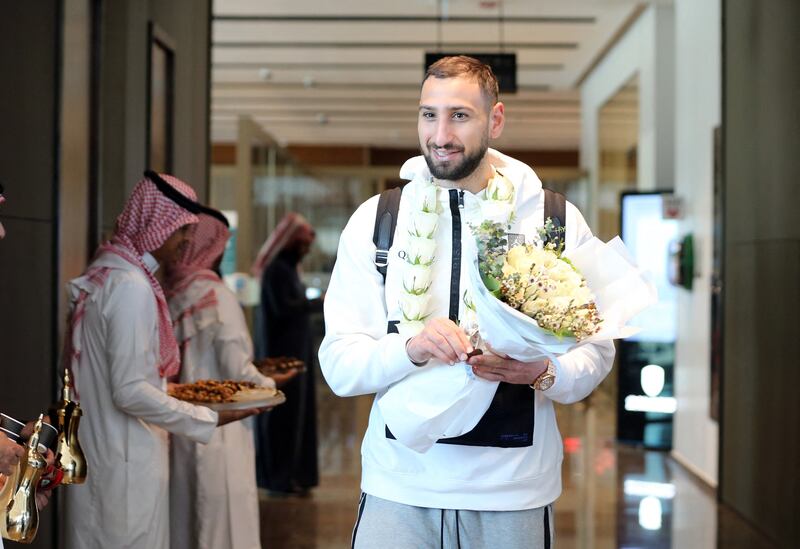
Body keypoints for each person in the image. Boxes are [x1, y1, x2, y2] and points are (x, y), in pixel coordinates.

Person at [318, 56, 615, 548]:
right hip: (399, 486)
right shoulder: (379, 220)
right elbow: (339, 366)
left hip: (512, 490)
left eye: (459, 115)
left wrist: (541, 371)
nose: (440, 134)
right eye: (428, 114)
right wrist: (410, 348)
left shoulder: (554, 219)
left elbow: (596, 353)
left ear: (494, 119)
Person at [61, 172, 262, 549]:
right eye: (182, 230)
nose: (187, 241)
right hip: (125, 463)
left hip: (104, 455)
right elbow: (130, 391)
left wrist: (175, 392)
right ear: (157, 224)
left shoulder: (107, 274)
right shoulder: (131, 287)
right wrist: (208, 416)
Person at [165, 208, 296, 549]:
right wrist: (273, 385)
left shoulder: (171, 292)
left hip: (178, 426)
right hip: (221, 430)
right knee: (222, 528)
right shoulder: (217, 298)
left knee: (185, 522)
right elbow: (239, 373)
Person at [252, 213, 322, 495]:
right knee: (282, 419)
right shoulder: (278, 270)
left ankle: (294, 476)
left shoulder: (289, 268)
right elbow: (285, 308)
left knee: (296, 417)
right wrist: (317, 302)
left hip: (295, 354)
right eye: (303, 243)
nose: (306, 248)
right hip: (281, 358)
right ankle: (279, 479)